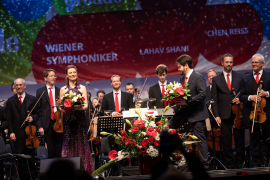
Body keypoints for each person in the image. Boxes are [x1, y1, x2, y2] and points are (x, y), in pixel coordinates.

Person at [169, 54, 209, 170]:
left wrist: (187, 102)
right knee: (167, 128)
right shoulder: (182, 79)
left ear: (186, 65)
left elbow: (202, 94)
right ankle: (171, 160)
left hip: (197, 113)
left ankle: (204, 166)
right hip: (185, 112)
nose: (178, 69)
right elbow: (183, 97)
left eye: (179, 67)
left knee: (200, 140)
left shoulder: (198, 77)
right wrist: (175, 106)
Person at [211, 53, 245, 169]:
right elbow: (214, 99)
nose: (229, 64)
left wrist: (239, 99)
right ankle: (229, 165)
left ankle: (240, 164)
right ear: (222, 63)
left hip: (238, 114)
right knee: (226, 142)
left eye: (231, 62)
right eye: (227, 62)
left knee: (239, 140)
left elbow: (243, 94)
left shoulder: (240, 77)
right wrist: (216, 115)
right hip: (223, 114)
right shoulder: (216, 79)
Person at [59, 65, 93, 174]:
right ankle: (68, 171)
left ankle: (84, 170)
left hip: (79, 118)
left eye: (75, 72)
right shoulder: (62, 89)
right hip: (68, 119)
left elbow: (86, 106)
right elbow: (60, 106)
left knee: (81, 141)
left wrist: (75, 107)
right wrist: (67, 110)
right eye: (71, 72)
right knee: (69, 142)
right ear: (66, 75)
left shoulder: (82, 88)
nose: (73, 74)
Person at [240, 53, 270, 167]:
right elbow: (241, 96)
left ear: (262, 64)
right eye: (252, 62)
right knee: (254, 141)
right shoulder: (245, 78)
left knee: (268, 139)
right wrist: (250, 97)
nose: (253, 64)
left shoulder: (269, 76)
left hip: (266, 113)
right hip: (252, 114)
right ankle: (256, 164)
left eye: (256, 62)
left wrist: (266, 93)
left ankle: (268, 163)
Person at [6, 78, 40, 178]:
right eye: (17, 85)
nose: (19, 87)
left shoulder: (32, 99)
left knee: (31, 158)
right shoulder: (10, 101)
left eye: (21, 85)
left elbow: (38, 114)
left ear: (24, 86)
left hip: (30, 133)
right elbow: (9, 119)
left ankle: (32, 177)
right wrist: (11, 132)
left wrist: (32, 118)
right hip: (17, 134)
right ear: (15, 87)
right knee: (20, 159)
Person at [36, 69, 63, 158]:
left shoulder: (60, 90)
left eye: (54, 76)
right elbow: (38, 111)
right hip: (46, 124)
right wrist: (40, 126)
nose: (53, 78)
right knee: (51, 150)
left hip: (59, 123)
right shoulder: (40, 91)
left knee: (59, 150)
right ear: (45, 78)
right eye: (51, 76)